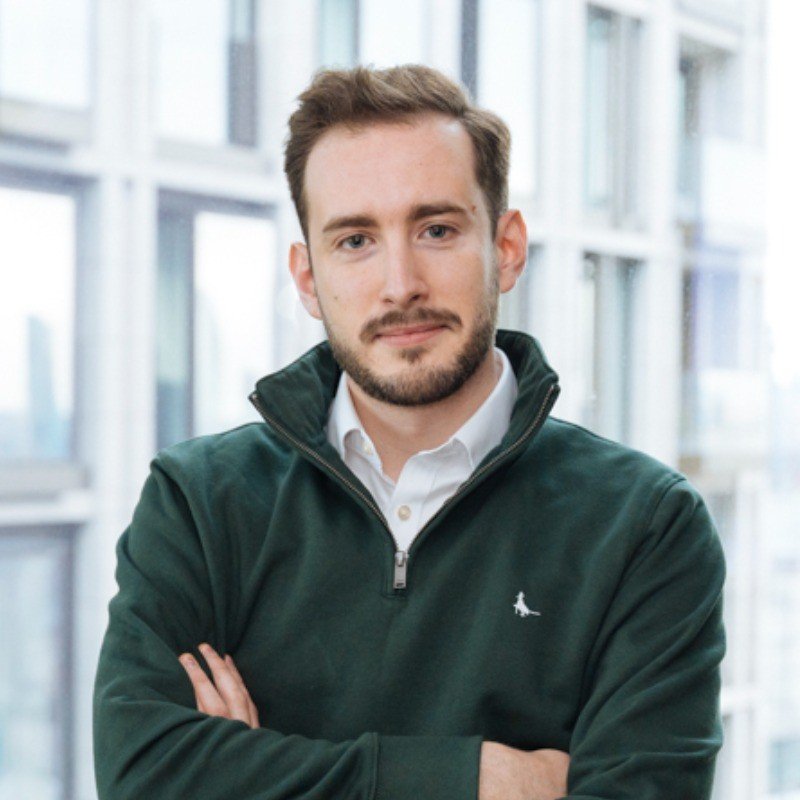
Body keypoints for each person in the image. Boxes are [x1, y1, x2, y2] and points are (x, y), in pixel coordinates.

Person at [93, 64, 725, 800]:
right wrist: (481, 780)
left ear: (507, 248)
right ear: (307, 278)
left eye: (436, 229)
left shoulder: (646, 527)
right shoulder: (198, 504)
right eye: (355, 240)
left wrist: (254, 771)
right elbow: (144, 777)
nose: (401, 283)